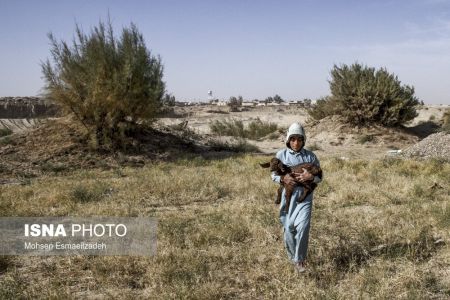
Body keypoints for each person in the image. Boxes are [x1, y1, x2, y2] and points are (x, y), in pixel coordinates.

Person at [271, 122, 322, 273]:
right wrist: (282, 179)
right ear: (288, 140)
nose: (296, 143)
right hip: (288, 196)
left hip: (304, 196)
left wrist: (311, 177)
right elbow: (273, 174)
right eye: (292, 139)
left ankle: (300, 261)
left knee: (303, 227)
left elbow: (320, 176)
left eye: (299, 139)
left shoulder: (311, 156)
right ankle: (293, 258)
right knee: (289, 228)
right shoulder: (281, 155)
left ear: (303, 140)